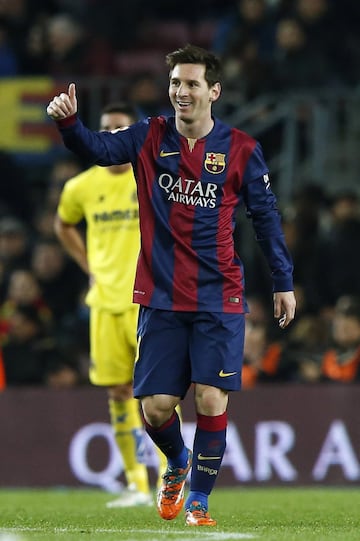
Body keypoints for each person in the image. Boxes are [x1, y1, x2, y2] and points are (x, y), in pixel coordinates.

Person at [47, 44, 296, 527]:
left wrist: (282, 280)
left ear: (214, 91)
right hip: (161, 294)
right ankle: (178, 463)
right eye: (175, 83)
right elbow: (97, 150)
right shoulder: (149, 135)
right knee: (156, 409)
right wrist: (69, 125)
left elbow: (265, 218)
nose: (181, 92)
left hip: (219, 294)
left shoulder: (241, 148)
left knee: (209, 399)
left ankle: (199, 502)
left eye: (192, 84)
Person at [54, 101, 168, 507]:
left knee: (158, 394)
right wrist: (88, 265)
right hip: (103, 302)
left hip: (147, 301)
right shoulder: (80, 187)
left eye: (121, 129)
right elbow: (63, 223)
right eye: (106, 128)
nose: (114, 135)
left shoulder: (152, 178)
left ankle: (166, 482)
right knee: (119, 392)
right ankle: (136, 485)